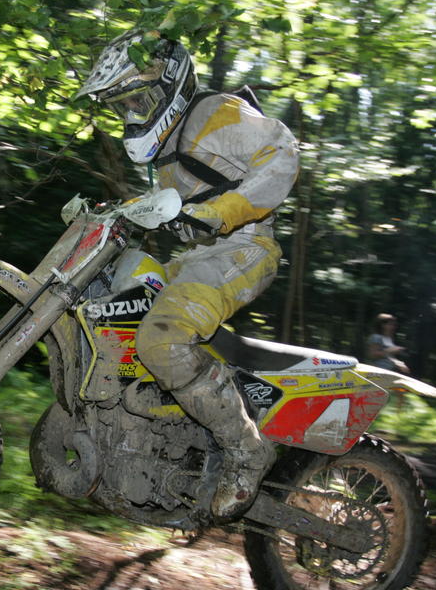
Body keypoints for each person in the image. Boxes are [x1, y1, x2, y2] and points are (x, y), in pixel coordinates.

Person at [75, 30, 299, 520]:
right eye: (122, 107)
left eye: (137, 101)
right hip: (200, 257)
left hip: (245, 249)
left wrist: (224, 211)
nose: (131, 114)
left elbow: (282, 150)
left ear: (167, 85)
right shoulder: (171, 142)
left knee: (161, 338)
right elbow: (174, 204)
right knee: (110, 307)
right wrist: (113, 214)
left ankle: (246, 449)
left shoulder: (214, 114)